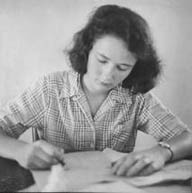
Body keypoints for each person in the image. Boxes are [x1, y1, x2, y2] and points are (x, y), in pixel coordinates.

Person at [0, 4, 192, 178]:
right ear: (87, 49)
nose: (108, 75)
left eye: (123, 67)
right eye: (102, 60)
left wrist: (162, 151)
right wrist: (20, 151)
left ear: (135, 68)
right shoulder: (49, 89)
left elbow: (187, 138)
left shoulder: (136, 98)